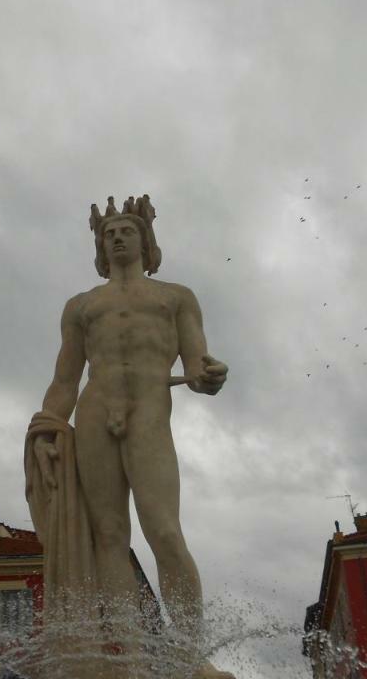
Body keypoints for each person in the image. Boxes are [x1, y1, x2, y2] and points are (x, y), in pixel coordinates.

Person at [29, 194, 227, 639]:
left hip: (149, 412)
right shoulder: (81, 306)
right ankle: (125, 653)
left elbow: (196, 365)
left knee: (164, 530)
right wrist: (45, 427)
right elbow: (65, 379)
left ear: (144, 239)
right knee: (109, 535)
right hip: (95, 411)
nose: (117, 238)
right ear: (100, 246)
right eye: (109, 233)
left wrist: (209, 376)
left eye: (127, 231)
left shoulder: (175, 297)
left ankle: (192, 651)